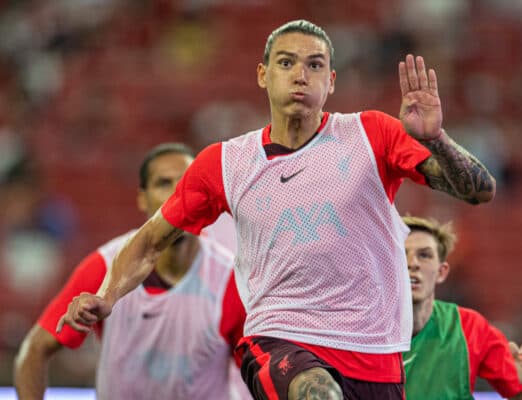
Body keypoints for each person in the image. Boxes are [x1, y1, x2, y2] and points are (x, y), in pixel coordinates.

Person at [58, 20, 497, 400]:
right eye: (286, 63)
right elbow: (150, 242)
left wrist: (436, 139)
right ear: (263, 75)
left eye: (315, 65)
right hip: (279, 336)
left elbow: (478, 191)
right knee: (319, 394)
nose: (300, 75)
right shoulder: (225, 163)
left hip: (376, 350)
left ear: (332, 80)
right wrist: (107, 295)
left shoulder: (371, 134)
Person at [14, 143, 250, 400]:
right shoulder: (104, 267)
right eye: (163, 183)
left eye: (186, 183)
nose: (177, 194)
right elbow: (33, 351)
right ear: (141, 197)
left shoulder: (231, 279)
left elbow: (260, 371)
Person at [402, 215, 522, 399]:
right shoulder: (360, 332)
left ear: (442, 272)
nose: (412, 263)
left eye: (424, 255)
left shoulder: (470, 328)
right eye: (402, 253)